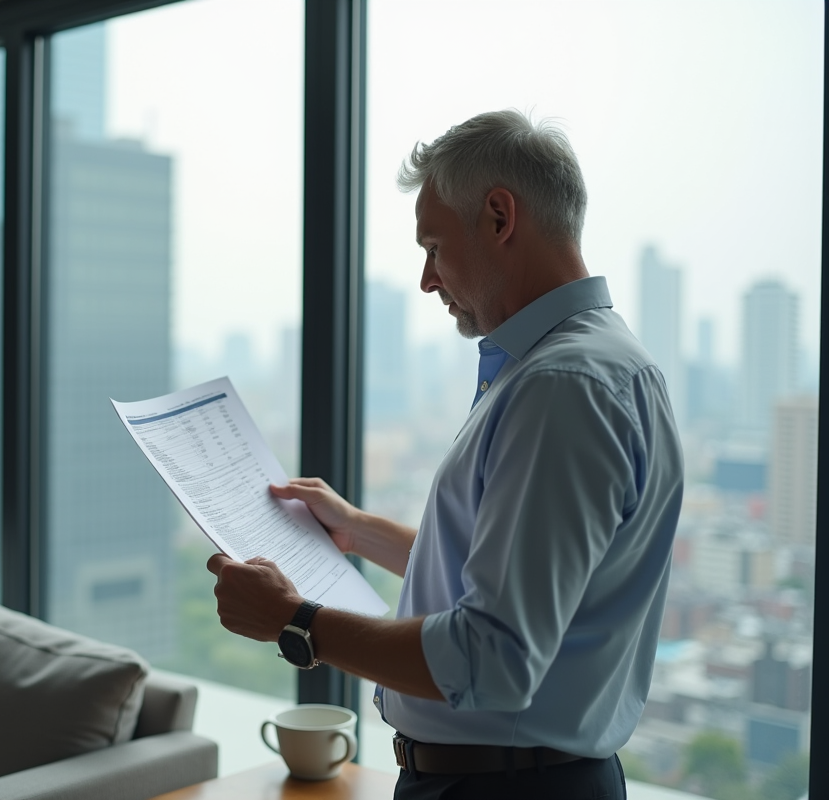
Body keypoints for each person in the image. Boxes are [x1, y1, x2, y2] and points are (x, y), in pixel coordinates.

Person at [206, 109, 683, 800]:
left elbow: (494, 658)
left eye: (433, 245)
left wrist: (295, 622)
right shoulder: (589, 366)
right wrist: (357, 530)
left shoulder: (561, 388)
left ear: (499, 217)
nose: (428, 279)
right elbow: (511, 576)